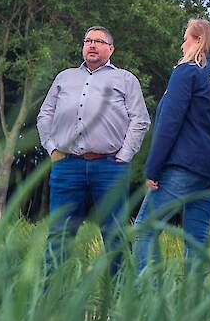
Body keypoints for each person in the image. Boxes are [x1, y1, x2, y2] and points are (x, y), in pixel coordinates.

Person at [37, 25, 150, 274]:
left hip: (110, 166)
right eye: (88, 40)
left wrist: (124, 155)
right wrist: (52, 149)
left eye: (99, 41)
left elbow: (140, 120)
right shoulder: (64, 77)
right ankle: (49, 298)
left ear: (111, 49)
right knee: (59, 233)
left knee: (115, 233)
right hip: (67, 166)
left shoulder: (125, 79)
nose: (92, 45)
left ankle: (119, 299)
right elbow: (45, 115)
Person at [134, 19, 210, 272]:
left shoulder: (187, 72)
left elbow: (169, 124)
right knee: (196, 239)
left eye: (186, 38)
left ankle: (147, 301)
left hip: (184, 166)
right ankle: (192, 306)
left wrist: (153, 169)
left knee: (144, 231)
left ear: (199, 41)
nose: (182, 45)